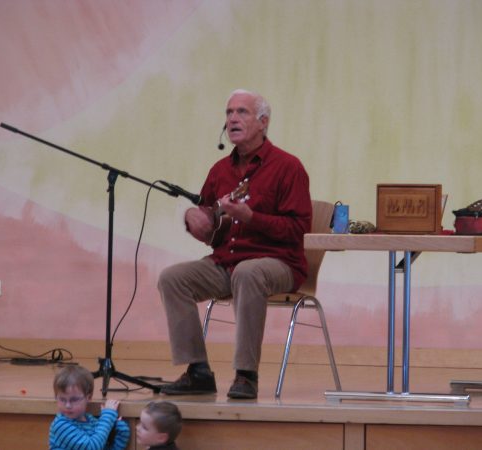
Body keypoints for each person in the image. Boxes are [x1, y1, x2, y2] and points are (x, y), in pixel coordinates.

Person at [158, 89, 312, 399]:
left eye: (241, 112)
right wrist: (192, 219)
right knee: (172, 278)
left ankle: (246, 375)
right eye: (229, 113)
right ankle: (198, 371)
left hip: (279, 263)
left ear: (263, 122)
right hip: (225, 262)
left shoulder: (288, 167)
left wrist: (251, 217)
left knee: (247, 272)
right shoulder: (220, 170)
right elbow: (207, 216)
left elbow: (298, 229)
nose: (232, 119)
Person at [49, 365, 130, 450]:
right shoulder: (61, 424)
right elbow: (92, 448)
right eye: (62, 399)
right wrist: (108, 417)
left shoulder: (92, 421)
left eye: (74, 400)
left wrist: (122, 431)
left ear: (89, 397)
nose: (67, 405)